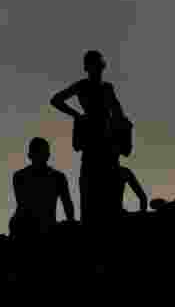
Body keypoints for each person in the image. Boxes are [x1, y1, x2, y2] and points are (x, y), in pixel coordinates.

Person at [50, 50, 128, 224]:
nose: (98, 69)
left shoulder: (107, 88)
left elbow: (118, 113)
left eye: (100, 65)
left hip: (107, 142)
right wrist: (77, 115)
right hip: (91, 142)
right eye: (95, 65)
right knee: (90, 187)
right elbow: (55, 100)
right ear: (88, 67)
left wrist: (121, 130)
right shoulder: (82, 86)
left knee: (109, 185)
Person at [8, 137, 75, 240]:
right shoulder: (57, 177)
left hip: (32, 226)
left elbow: (68, 207)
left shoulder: (20, 176)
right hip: (27, 226)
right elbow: (24, 205)